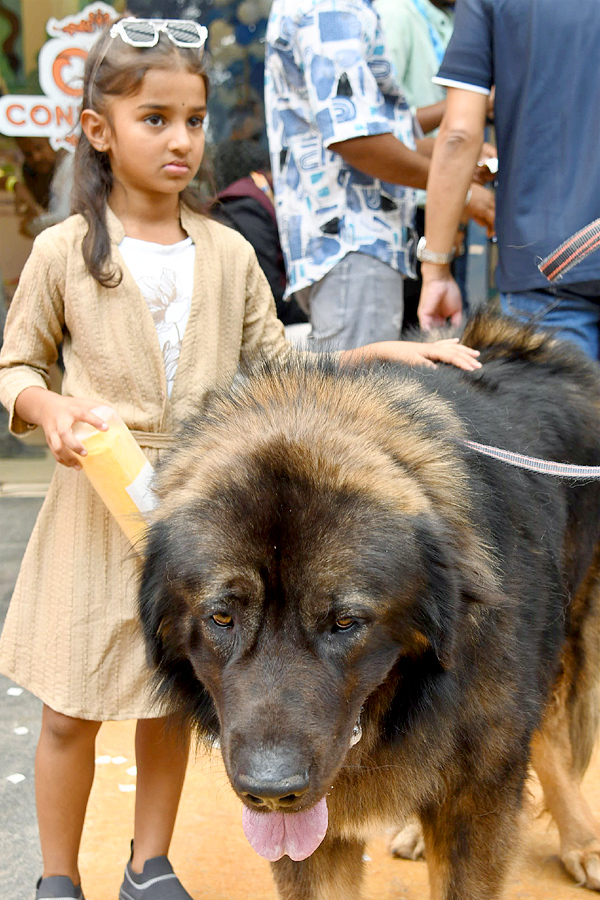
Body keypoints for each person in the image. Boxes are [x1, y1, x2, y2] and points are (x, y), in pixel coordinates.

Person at [0, 15, 483, 900]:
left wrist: (384, 353)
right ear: (99, 131)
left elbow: (278, 366)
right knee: (69, 710)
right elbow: (16, 362)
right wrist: (48, 407)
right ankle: (57, 877)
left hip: (198, 523)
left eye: (193, 119)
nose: (181, 139)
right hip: (89, 515)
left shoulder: (226, 250)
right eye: (155, 119)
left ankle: (149, 866)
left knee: (172, 708)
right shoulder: (63, 252)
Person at [264, 0, 495, 352]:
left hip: (351, 243)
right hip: (353, 241)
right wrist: (458, 191)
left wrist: (457, 156)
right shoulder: (332, 7)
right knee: (354, 402)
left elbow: (376, 129)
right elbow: (357, 141)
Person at [417, 0, 600, 360]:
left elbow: (458, 135)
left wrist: (436, 268)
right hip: (550, 264)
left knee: (563, 415)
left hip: (547, 263)